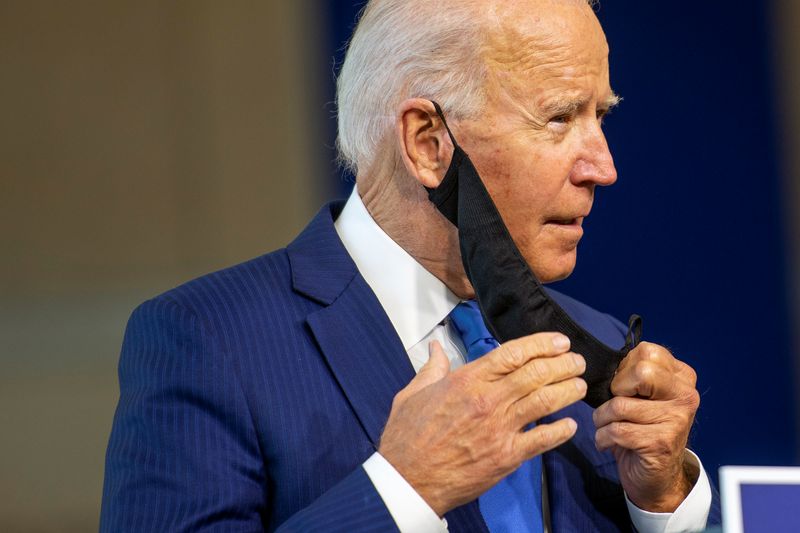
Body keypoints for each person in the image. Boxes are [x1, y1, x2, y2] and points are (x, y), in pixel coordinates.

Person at [100, 0, 721, 531]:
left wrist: (661, 502)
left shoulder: (603, 348)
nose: (603, 167)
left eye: (601, 116)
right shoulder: (208, 342)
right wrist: (403, 490)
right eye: (559, 118)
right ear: (428, 143)